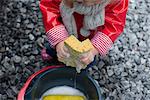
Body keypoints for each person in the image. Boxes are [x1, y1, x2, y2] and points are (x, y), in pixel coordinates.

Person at [39, 0, 129, 68]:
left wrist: (94, 49)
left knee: (85, 59)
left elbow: (115, 24)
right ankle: (52, 52)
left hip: (91, 35)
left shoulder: (115, 2)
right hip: (65, 29)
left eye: (95, 2)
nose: (88, 5)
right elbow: (49, 9)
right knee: (56, 46)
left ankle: (81, 66)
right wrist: (59, 40)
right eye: (80, 1)